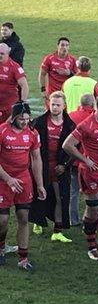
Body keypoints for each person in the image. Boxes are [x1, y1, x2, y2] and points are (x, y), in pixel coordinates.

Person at [62, 94, 98, 260]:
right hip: (91, 172)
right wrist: (85, 160)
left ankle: (92, 226)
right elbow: (67, 145)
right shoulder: (86, 125)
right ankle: (91, 245)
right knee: (92, 206)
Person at [0, 103, 46, 270]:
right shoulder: (2, 131)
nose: (25, 122)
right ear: (13, 118)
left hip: (23, 179)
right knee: (2, 220)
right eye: (21, 119)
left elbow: (36, 159)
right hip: (3, 180)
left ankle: (23, 258)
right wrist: (8, 179)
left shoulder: (32, 133)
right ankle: (1, 246)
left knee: (23, 217)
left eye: (27, 118)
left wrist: (39, 184)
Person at [29, 91, 75, 242]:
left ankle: (58, 230)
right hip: (41, 165)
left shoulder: (69, 125)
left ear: (64, 106)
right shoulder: (39, 122)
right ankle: (38, 221)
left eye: (57, 105)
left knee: (60, 197)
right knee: (40, 193)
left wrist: (65, 165)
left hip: (59, 167)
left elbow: (75, 149)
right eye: (52, 104)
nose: (54, 107)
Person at [68, 94, 95, 226]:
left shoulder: (71, 115)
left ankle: (72, 219)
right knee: (93, 193)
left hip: (72, 159)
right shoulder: (93, 118)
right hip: (88, 162)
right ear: (92, 105)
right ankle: (92, 219)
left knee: (73, 191)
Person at [38, 37, 77, 108]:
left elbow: (77, 78)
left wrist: (69, 74)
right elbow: (42, 74)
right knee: (50, 114)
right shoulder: (49, 59)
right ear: (58, 46)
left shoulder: (72, 60)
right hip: (52, 93)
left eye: (67, 45)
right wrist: (43, 90)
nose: (64, 47)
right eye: (62, 45)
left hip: (67, 93)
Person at [0, 43, 28, 123]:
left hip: (9, 107)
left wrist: (22, 103)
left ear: (8, 54)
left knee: (6, 129)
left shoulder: (15, 67)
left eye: (2, 54)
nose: (0, 55)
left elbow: (24, 85)